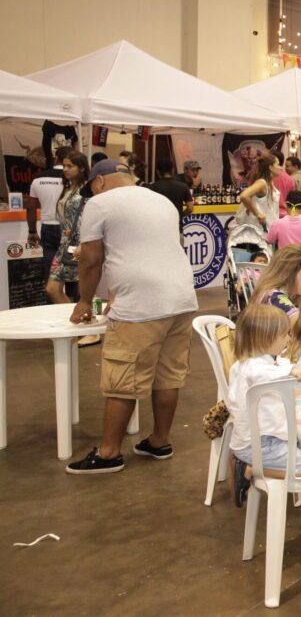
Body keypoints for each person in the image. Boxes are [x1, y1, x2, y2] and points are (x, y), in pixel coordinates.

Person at [65, 160, 200, 474]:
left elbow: (90, 259)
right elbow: (147, 250)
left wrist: (84, 300)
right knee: (168, 375)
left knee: (122, 378)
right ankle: (159, 441)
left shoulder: (99, 203)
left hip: (141, 305)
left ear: (99, 181)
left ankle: (109, 453)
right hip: (181, 297)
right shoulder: (161, 200)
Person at [225, 304, 301, 506]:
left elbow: (275, 367)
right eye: (284, 335)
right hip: (257, 445)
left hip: (260, 439)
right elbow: (261, 374)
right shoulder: (252, 367)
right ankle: (247, 468)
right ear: (266, 339)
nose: (288, 339)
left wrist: (291, 367)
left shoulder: (252, 361)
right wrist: (293, 371)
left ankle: (249, 465)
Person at [44, 151, 89, 305]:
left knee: (85, 292)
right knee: (52, 289)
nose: (65, 169)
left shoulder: (87, 190)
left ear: (81, 168)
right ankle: (73, 316)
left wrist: (84, 242)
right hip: (64, 244)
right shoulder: (67, 188)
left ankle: (82, 317)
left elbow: (90, 218)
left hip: (80, 245)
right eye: (64, 166)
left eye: (70, 166)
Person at [27, 146, 69, 282]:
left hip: (48, 227)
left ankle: (51, 294)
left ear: (55, 159)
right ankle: (72, 296)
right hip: (69, 228)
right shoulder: (74, 178)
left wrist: (32, 231)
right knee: (71, 271)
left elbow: (31, 207)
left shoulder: (38, 179)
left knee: (50, 271)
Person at [146, 158, 194, 230]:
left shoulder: (151, 187)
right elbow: (190, 208)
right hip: (176, 226)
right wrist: (179, 216)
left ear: (158, 171)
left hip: (158, 226)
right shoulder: (183, 186)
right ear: (172, 170)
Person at [237, 155, 281, 230]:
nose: (281, 168)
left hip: (268, 229)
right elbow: (244, 196)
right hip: (259, 231)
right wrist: (257, 213)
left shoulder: (269, 184)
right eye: (278, 164)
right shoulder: (262, 183)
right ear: (270, 167)